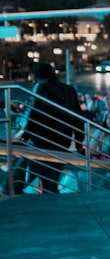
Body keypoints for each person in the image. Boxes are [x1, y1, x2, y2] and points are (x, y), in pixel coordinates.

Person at [19, 62, 83, 193]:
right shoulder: (69, 89)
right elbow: (78, 117)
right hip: (64, 141)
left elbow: (36, 114)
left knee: (27, 174)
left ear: (36, 76)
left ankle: (19, 195)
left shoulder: (41, 88)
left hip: (44, 142)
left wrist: (25, 137)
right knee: (51, 179)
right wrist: (78, 143)